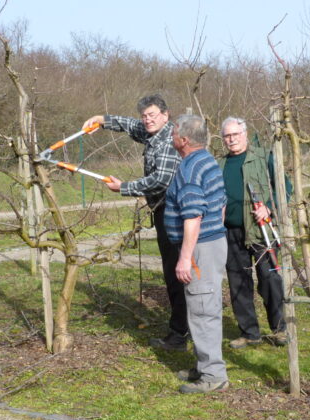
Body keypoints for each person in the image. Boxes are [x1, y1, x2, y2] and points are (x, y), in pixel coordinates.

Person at [83, 94, 188, 351]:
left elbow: (160, 180)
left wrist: (124, 187)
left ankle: (180, 335)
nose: (147, 120)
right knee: (173, 272)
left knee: (178, 274)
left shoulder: (167, 142)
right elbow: (131, 125)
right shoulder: (153, 132)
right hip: (164, 212)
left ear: (166, 115)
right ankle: (184, 329)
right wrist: (103, 120)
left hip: (174, 214)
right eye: (145, 115)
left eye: (153, 115)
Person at [164, 114, 228, 394]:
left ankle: (213, 375)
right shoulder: (208, 161)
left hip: (200, 247)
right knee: (203, 304)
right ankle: (204, 366)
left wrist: (184, 257)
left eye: (174, 132)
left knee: (203, 310)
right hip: (211, 243)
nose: (171, 136)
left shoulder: (190, 168)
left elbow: (193, 216)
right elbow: (221, 205)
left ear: (184, 140)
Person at [218, 117, 289, 349]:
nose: (232, 139)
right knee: (238, 282)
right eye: (227, 136)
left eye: (236, 134)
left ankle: (280, 329)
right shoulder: (220, 164)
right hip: (231, 232)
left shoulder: (263, 157)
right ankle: (249, 332)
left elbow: (284, 187)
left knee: (270, 279)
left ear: (245, 134)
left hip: (261, 231)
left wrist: (269, 207)